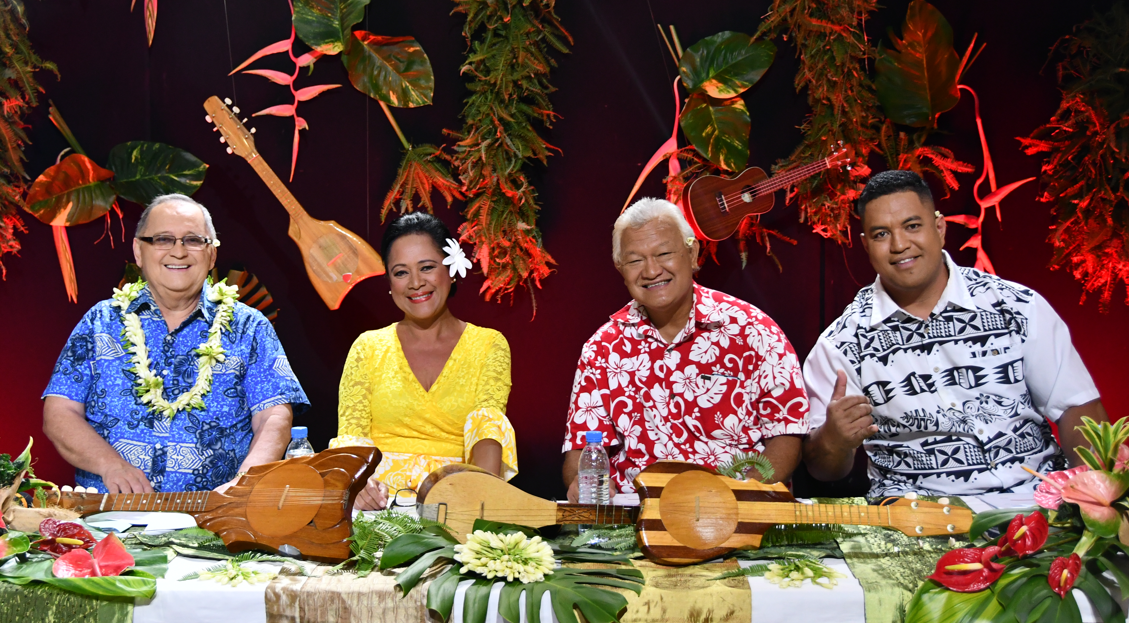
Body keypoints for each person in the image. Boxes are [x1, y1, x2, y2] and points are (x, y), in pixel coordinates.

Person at [802, 170, 1108, 498]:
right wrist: (834, 439)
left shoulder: (1016, 306)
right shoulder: (841, 344)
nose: (900, 244)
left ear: (939, 228)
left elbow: (1077, 409)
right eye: (881, 234)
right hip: (918, 524)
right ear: (866, 245)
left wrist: (1099, 500)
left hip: (1039, 507)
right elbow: (823, 468)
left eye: (912, 226)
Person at [42, 194, 309, 495]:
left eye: (193, 240)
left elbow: (274, 416)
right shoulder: (99, 322)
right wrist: (110, 465)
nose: (179, 252)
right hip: (109, 518)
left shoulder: (250, 327)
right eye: (163, 239)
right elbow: (60, 412)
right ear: (138, 251)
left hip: (214, 520)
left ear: (211, 255)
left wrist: (243, 486)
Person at [561, 198, 810, 502]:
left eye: (664, 253)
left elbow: (787, 436)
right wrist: (582, 483)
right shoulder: (602, 349)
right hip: (636, 522)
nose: (652, 270)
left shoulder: (754, 330)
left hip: (738, 513)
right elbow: (581, 451)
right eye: (635, 260)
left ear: (692, 253)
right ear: (620, 269)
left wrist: (740, 495)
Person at [332, 212, 518, 510]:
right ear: (390, 282)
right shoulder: (367, 347)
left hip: (455, 502)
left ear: (451, 269)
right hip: (377, 507)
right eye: (401, 272)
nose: (416, 283)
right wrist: (359, 485)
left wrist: (477, 505)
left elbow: (488, 431)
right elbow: (352, 438)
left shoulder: (488, 345)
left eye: (427, 267)